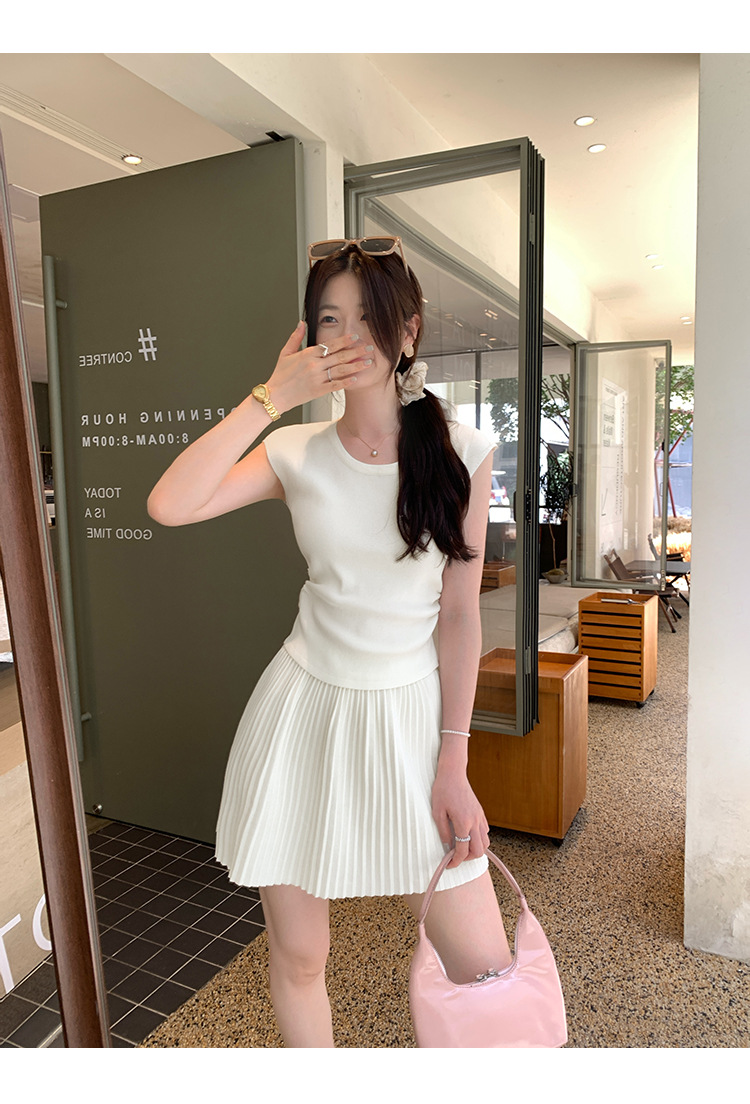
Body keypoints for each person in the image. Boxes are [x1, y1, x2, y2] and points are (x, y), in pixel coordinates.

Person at [147, 237, 511, 1048]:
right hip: (302, 714)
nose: (346, 339)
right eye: (328, 320)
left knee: (485, 965)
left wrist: (454, 760)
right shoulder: (294, 450)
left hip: (411, 719)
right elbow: (170, 504)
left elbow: (459, 614)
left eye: (367, 320)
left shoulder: (463, 452)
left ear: (407, 332)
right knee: (301, 955)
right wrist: (269, 399)